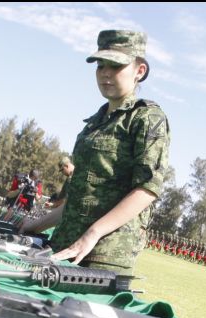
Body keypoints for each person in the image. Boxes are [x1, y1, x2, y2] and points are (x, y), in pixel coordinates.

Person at [48, 30, 170, 275]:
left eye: (116, 66)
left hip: (105, 255)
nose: (105, 73)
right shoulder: (95, 122)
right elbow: (80, 199)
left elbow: (147, 189)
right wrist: (33, 224)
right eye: (100, 65)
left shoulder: (147, 118)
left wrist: (93, 233)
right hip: (65, 245)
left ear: (139, 71)